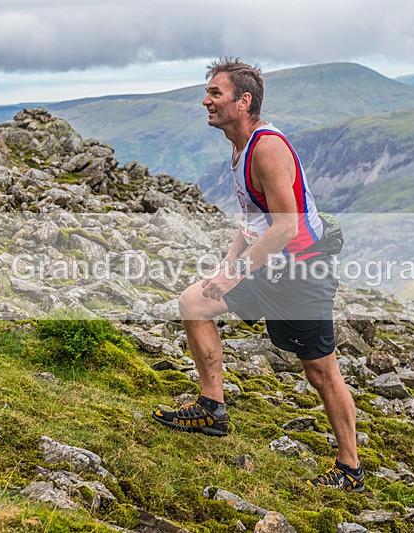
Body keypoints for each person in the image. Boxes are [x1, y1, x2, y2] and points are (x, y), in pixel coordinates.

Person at [152, 58, 363, 492]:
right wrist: (225, 267)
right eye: (208, 92)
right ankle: (212, 409)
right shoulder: (239, 145)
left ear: (243, 101)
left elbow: (286, 225)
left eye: (215, 93)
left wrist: (234, 276)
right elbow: (252, 218)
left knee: (320, 371)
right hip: (270, 261)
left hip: (303, 268)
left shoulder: (265, 148)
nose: (205, 100)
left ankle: (350, 468)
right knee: (194, 302)